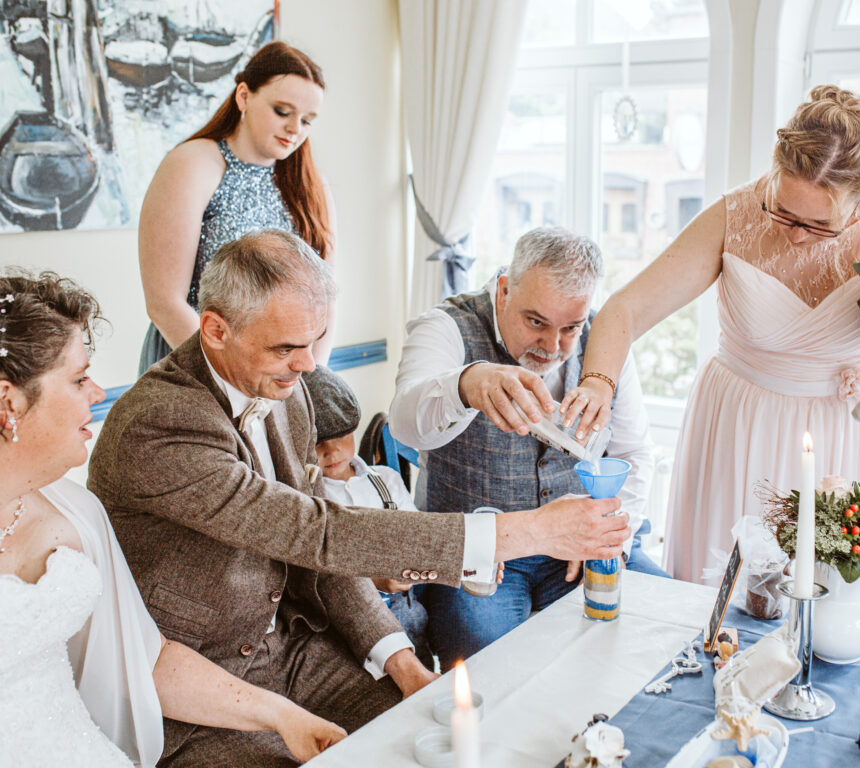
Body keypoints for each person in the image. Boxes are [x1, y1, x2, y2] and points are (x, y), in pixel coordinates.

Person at [88, 229, 628, 765]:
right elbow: (316, 531)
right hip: (198, 692)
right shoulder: (157, 424)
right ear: (215, 330)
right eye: (286, 347)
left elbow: (321, 558)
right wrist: (532, 530)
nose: (308, 366)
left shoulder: (287, 387)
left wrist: (402, 662)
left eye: (314, 340)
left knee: (433, 741)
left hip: (298, 654)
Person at [561, 86, 860, 628]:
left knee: (842, 618)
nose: (795, 236)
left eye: (819, 224)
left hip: (852, 437)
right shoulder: (734, 216)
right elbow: (623, 311)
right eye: (783, 210)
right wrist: (600, 382)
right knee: (727, 620)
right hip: (739, 431)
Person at [0, 271, 345, 768]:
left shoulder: (77, 514)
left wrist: (282, 715)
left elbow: (148, 658)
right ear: (10, 402)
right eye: (78, 379)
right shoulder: (157, 424)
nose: (98, 392)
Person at [388, 226, 664, 670]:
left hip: (576, 546)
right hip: (481, 554)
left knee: (658, 621)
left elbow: (633, 452)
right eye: (536, 322)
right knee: (493, 662)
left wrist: (610, 536)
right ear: (503, 291)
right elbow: (405, 421)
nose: (553, 347)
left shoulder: (604, 343)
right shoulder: (447, 326)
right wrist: (466, 384)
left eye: (570, 328)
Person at [137, 40, 336, 374]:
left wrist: (306, 375)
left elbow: (326, 299)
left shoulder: (311, 185)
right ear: (244, 96)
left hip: (284, 378)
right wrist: (234, 378)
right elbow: (164, 302)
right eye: (282, 112)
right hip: (195, 365)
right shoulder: (193, 164)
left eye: (307, 120)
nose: (294, 129)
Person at [301, 364, 432, 669]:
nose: (331, 451)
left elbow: (416, 532)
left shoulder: (385, 479)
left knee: (420, 661)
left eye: (341, 436)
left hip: (405, 608)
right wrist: (371, 578)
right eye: (318, 441)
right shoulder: (307, 497)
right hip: (345, 620)